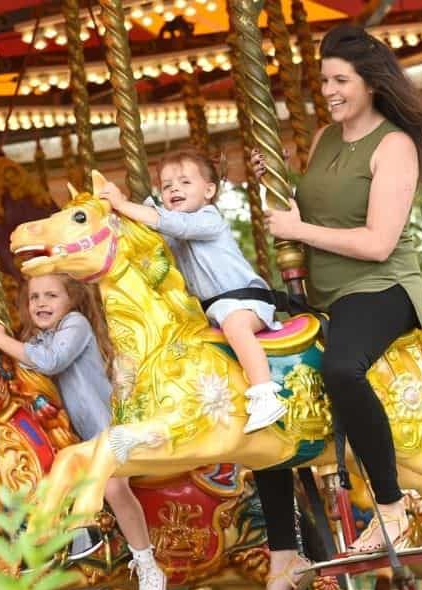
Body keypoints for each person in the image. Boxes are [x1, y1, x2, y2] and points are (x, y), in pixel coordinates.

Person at [250, 23, 422, 590]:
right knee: (264, 386)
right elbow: (314, 210)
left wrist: (296, 226)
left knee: (341, 369)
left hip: (382, 287)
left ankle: (389, 507)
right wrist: (280, 191)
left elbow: (377, 242)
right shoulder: (324, 140)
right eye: (325, 80)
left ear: (370, 83)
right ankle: (283, 552)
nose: (330, 90)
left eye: (341, 80)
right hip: (327, 291)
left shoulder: (395, 145)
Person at [0, 273, 167, 590]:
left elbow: (51, 362)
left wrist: (0, 339)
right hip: (75, 441)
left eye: (50, 295)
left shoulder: (75, 325)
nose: (40, 303)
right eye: (34, 297)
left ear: (73, 300)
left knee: (112, 485)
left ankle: (147, 565)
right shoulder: (36, 339)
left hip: (108, 430)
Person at [100, 149, 287, 433]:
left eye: (185, 182)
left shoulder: (208, 219)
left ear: (209, 190)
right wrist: (117, 210)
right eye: (166, 185)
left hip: (245, 303)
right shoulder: (175, 230)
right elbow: (149, 235)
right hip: (213, 312)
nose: (174, 188)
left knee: (236, 325)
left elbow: (168, 222)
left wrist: (122, 204)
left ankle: (264, 393)